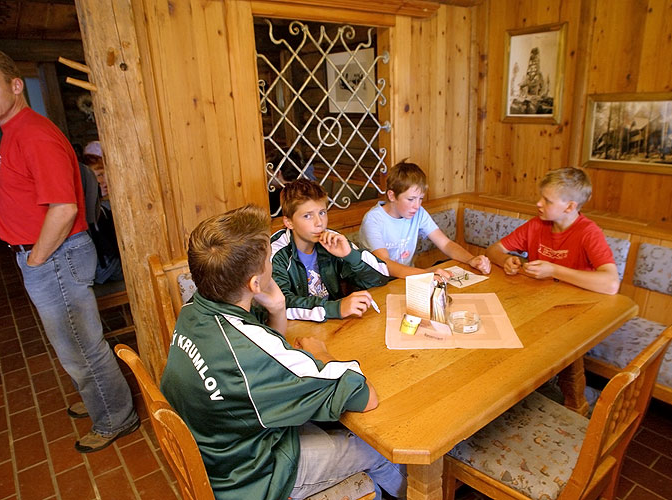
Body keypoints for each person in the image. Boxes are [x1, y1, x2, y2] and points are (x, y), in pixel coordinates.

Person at [160, 204, 406, 500]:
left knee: (331, 422)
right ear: (254, 283)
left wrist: (277, 307)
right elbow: (365, 397)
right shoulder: (249, 357)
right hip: (255, 475)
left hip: (224, 444)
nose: (272, 263)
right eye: (268, 259)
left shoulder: (194, 309)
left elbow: (264, 351)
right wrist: (322, 354)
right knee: (376, 449)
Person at [0, 47, 139, 452]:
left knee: (80, 346)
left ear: (15, 86)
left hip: (54, 255)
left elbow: (65, 207)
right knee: (74, 345)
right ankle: (101, 402)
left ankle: (116, 418)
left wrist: (35, 258)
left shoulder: (33, 134)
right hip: (48, 255)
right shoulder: (14, 131)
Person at [485, 167, 620, 295]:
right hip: (538, 295)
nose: (538, 203)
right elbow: (492, 250)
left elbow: (612, 284)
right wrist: (506, 260)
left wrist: (553, 271)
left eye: (547, 201)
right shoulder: (536, 224)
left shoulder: (589, 232)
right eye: (541, 197)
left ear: (569, 207)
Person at [271, 179, 390, 322]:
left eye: (322, 213)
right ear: (289, 222)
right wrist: (336, 308)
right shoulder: (277, 253)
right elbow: (280, 305)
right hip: (295, 329)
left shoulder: (332, 240)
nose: (319, 223)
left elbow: (382, 277)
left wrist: (350, 255)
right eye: (308, 216)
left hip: (333, 324)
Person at [358, 160, 491, 279]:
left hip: (406, 279)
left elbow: (445, 244)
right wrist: (426, 274)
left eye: (420, 199)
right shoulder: (373, 219)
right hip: (376, 284)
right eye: (410, 199)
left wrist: (471, 260)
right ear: (392, 196)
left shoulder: (418, 212)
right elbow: (384, 264)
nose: (417, 206)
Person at [82, 140, 124, 284]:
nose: (101, 181)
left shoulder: (106, 203)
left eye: (102, 174)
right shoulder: (99, 209)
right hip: (109, 270)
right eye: (96, 177)